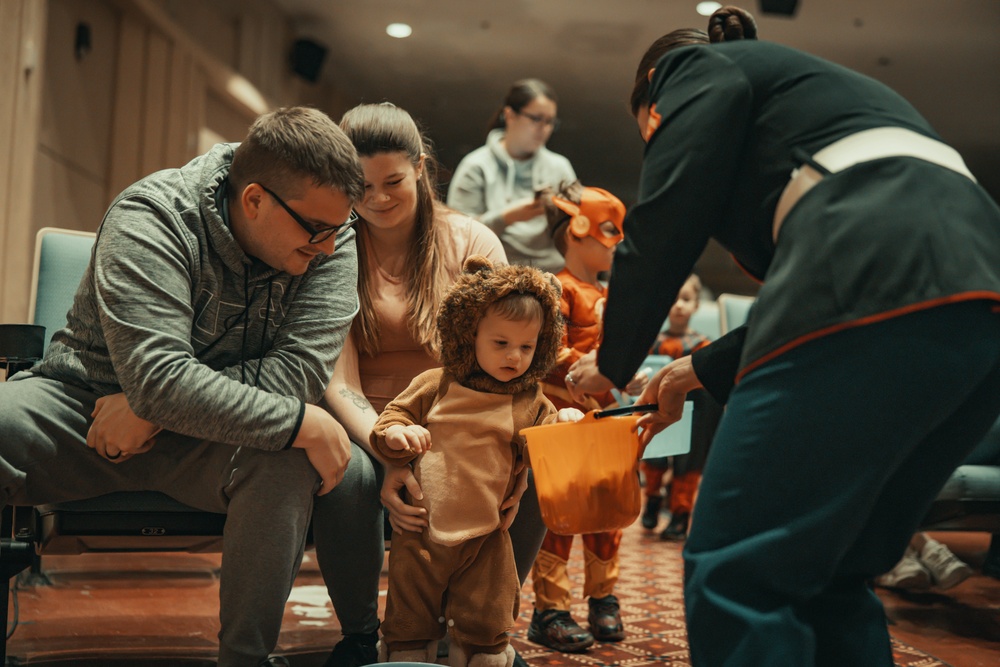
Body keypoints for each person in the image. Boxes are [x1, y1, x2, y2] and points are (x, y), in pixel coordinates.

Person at [564, 5, 1000, 666]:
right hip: (979, 310)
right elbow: (822, 307)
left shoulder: (691, 67)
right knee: (831, 573)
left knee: (739, 569)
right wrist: (692, 371)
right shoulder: (821, 112)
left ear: (656, 92)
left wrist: (612, 364)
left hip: (873, 275)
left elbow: (661, 222)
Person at [0, 107, 366, 667]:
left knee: (290, 456)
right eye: (316, 230)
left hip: (213, 440)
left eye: (339, 229)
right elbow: (158, 376)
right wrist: (294, 418)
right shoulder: (153, 215)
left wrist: (154, 407)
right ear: (254, 200)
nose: (329, 247)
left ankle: (244, 659)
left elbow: (297, 376)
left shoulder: (333, 240)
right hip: (81, 404)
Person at [308, 102, 507, 667]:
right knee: (345, 476)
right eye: (359, 185)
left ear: (420, 167)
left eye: (392, 181)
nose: (375, 199)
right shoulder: (327, 248)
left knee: (526, 463)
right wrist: (390, 450)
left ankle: (483, 631)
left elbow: (498, 370)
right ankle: (360, 636)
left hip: (459, 419)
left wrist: (443, 449)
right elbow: (338, 381)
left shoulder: (472, 242)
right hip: (364, 424)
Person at [371, 255, 577, 667]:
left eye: (526, 346)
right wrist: (396, 435)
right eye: (500, 344)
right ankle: (409, 653)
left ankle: (481, 652)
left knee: (487, 613)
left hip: (487, 533)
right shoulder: (436, 383)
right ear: (469, 334)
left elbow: (549, 446)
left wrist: (567, 422)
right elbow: (391, 418)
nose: (514, 357)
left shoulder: (530, 400)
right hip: (421, 528)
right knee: (409, 612)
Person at [526, 181, 636, 651]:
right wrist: (585, 368)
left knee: (607, 511)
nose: (620, 241)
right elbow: (546, 347)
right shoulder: (556, 289)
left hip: (606, 420)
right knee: (560, 516)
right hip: (564, 418)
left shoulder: (610, 293)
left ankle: (603, 600)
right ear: (579, 229)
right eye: (611, 229)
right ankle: (550, 609)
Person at [447, 79, 576, 273]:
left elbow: (577, 232)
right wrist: (506, 217)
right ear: (509, 115)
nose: (544, 128)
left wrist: (559, 216)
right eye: (536, 119)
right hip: (496, 275)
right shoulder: (476, 166)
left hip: (554, 274)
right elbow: (457, 236)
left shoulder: (559, 167)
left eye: (550, 122)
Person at [640, 274, 714, 540]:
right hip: (658, 408)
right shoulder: (653, 342)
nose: (679, 305)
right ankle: (652, 497)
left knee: (688, 463)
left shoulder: (703, 344)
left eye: (686, 299)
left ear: (696, 305)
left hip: (693, 415)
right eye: (674, 299)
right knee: (654, 454)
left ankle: (681, 514)